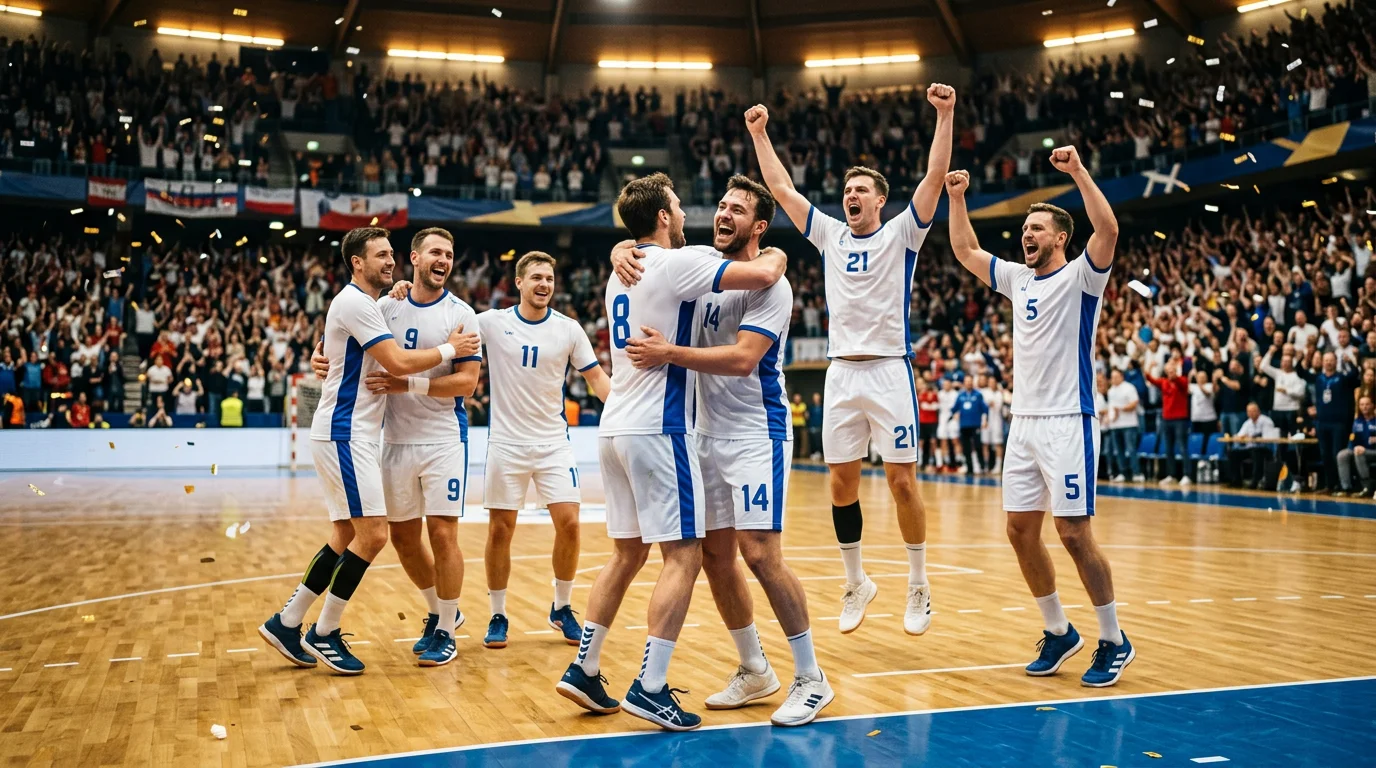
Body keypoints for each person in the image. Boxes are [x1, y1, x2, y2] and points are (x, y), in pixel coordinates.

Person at [554, 173, 786, 731]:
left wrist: (618, 245)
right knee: (684, 556)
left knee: (625, 555)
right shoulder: (673, 263)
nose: (686, 214)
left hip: (613, 430)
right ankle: (651, 685)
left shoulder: (622, 271)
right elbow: (764, 272)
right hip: (659, 430)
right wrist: (774, 247)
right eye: (678, 206)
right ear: (662, 217)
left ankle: (585, 667)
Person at [616, 175, 832, 726]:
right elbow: (650, 249)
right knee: (715, 557)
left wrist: (668, 352)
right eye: (720, 205)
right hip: (705, 435)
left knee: (760, 554)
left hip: (757, 434)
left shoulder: (770, 287)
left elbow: (741, 360)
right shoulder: (700, 266)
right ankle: (755, 667)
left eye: (737, 209)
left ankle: (812, 677)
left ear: (757, 226)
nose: (722, 214)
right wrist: (622, 247)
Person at [744, 84, 956, 635]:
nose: (851, 196)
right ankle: (857, 581)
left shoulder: (904, 234)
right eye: (847, 190)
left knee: (902, 482)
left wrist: (945, 115)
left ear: (880, 200)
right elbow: (783, 188)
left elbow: (934, 178)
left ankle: (918, 584)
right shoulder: (831, 235)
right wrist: (759, 133)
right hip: (841, 373)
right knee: (841, 485)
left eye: (861, 190)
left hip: (889, 369)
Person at [945, 144, 1135, 687]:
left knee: (1074, 534)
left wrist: (1076, 171)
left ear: (1059, 238)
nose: (1026, 235)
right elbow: (964, 249)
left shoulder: (1082, 277)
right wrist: (957, 197)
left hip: (1068, 421)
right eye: (1024, 229)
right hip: (1023, 423)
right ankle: (1059, 631)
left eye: (1036, 228)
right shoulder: (1017, 280)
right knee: (1018, 531)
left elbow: (1109, 230)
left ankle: (1115, 639)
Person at [257, 226, 472, 675]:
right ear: (357, 261)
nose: (389, 262)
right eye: (381, 255)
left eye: (391, 254)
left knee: (346, 535)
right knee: (374, 535)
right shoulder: (362, 303)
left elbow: (334, 349)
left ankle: (288, 621)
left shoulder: (373, 303)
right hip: (347, 432)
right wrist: (451, 347)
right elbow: (395, 361)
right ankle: (324, 631)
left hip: (361, 434)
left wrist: (324, 355)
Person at [318, 227, 486, 667]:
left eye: (449, 254)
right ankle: (438, 612)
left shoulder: (463, 314)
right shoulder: (386, 305)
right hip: (392, 441)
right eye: (435, 252)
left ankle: (447, 630)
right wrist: (320, 358)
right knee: (404, 540)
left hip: (443, 440)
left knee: (443, 534)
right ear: (414, 257)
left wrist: (404, 384)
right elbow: (341, 345)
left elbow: (467, 383)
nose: (443, 260)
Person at [473, 250, 610, 650]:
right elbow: (445, 322)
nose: (544, 285)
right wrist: (404, 290)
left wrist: (628, 407)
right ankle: (498, 613)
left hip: (553, 444)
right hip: (506, 444)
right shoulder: (492, 323)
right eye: (535, 278)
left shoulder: (568, 329)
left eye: (549, 278)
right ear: (518, 283)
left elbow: (598, 379)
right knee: (501, 530)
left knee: (569, 523)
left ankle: (561, 608)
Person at [1300, 349, 1359, 494]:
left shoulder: (1342, 378)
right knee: (1325, 454)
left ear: (1335, 361)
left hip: (1339, 423)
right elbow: (1302, 373)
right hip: (1322, 422)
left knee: (1336, 454)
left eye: (1331, 360)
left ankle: (1342, 484)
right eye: (1325, 360)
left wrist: (1350, 362)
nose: (1328, 362)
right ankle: (1330, 484)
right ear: (1322, 362)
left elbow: (1354, 375)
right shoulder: (1319, 378)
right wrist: (1305, 358)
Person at [1147, 361, 1190, 487]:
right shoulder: (1164, 382)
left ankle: (1187, 474)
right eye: (1169, 371)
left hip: (1180, 419)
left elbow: (1181, 384)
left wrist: (1175, 378)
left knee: (1182, 447)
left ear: (1176, 371)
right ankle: (1171, 474)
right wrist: (1149, 367)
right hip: (1167, 419)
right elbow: (1151, 379)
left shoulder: (1182, 380)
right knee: (1168, 449)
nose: (1170, 373)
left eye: (1172, 370)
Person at [1229, 402, 1279, 489]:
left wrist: (1252, 438)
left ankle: (1255, 481)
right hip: (1250, 448)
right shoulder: (1247, 423)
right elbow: (1240, 436)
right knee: (1233, 453)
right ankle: (1236, 481)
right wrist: (1240, 437)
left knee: (1256, 452)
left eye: (1253, 411)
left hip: (1264, 449)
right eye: (1249, 411)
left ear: (1258, 411)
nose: (1251, 413)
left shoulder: (1266, 421)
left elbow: (1267, 439)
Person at [1105, 369, 1143, 482]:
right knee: (1119, 450)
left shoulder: (1129, 387)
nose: (1114, 379)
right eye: (1112, 377)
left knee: (1131, 449)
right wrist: (1110, 417)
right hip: (1115, 425)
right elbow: (1111, 407)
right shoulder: (1111, 390)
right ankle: (1123, 472)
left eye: (1116, 377)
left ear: (1122, 376)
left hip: (1129, 424)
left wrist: (1120, 409)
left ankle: (1136, 473)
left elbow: (1134, 403)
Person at [1335, 395, 1376, 497]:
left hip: (1372, 451)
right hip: (1359, 449)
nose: (1364, 407)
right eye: (1362, 404)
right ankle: (1346, 487)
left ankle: (1367, 486)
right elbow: (1352, 439)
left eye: (1367, 404)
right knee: (1342, 455)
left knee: (1359, 453)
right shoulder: (1358, 421)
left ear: (1372, 406)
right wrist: (1352, 448)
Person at [954, 376, 987, 474]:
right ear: (964, 383)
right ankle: (969, 468)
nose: (968, 383)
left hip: (975, 424)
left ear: (972, 382)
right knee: (966, 447)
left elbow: (985, 408)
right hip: (964, 425)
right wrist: (954, 413)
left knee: (978, 445)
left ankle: (982, 467)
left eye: (970, 381)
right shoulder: (960, 395)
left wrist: (985, 420)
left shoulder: (978, 395)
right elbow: (955, 408)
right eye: (966, 381)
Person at [918, 377, 940, 470]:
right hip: (923, 421)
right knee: (922, 442)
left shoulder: (935, 395)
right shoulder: (922, 395)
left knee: (933, 442)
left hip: (932, 421)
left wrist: (930, 402)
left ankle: (936, 462)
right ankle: (921, 461)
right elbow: (924, 405)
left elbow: (935, 406)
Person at [790, 393, 807, 458]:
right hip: (793, 425)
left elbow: (804, 414)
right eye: (796, 398)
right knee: (794, 440)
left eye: (798, 398)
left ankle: (801, 454)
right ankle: (794, 454)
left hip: (801, 425)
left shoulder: (803, 405)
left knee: (801, 441)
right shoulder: (791, 405)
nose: (797, 400)